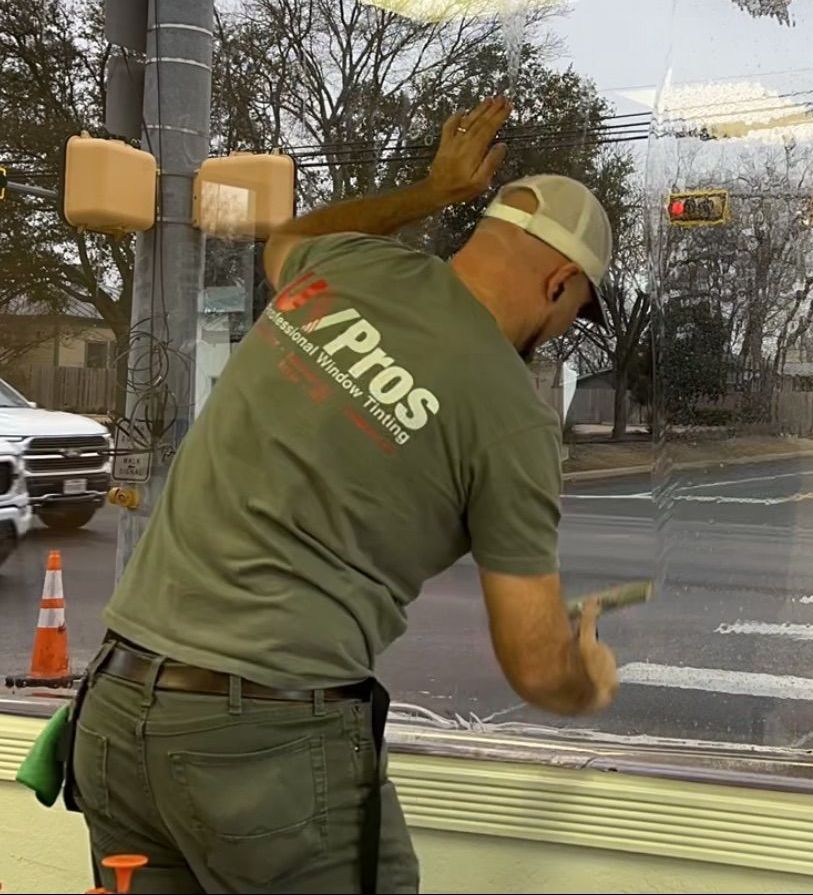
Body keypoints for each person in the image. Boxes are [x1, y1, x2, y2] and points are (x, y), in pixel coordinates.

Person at [66, 96, 620, 894]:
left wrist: (431, 192)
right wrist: (585, 677)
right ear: (560, 281)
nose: (563, 327)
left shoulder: (349, 265)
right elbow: (535, 664)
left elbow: (286, 235)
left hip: (117, 711)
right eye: (572, 310)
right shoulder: (511, 419)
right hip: (265, 749)